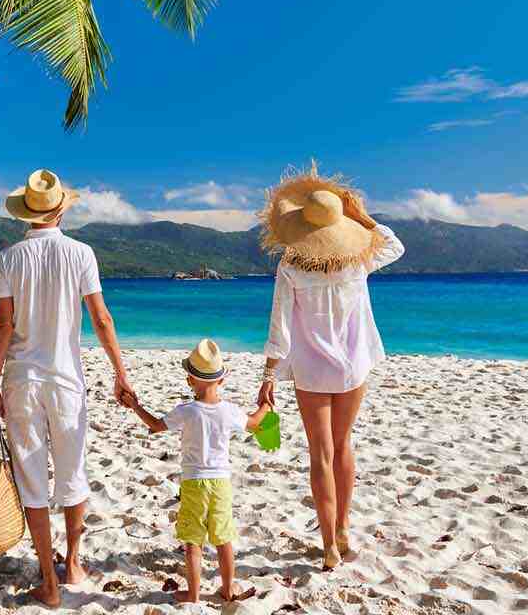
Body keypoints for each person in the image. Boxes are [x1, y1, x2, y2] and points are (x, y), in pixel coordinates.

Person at [0, 169, 134, 608]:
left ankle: (48, 581)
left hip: (22, 382)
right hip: (67, 381)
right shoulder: (81, 253)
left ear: (27, 213)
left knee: (32, 479)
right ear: (60, 208)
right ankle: (73, 562)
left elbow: (3, 325)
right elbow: (102, 318)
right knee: (73, 474)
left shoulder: (9, 258)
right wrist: (120, 373)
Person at [255, 165, 405, 570]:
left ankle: (329, 547)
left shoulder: (290, 266)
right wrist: (360, 217)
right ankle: (342, 527)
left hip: (310, 370)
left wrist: (268, 376)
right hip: (353, 366)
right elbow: (394, 245)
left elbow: (279, 326)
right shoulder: (357, 263)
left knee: (320, 454)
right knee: (343, 446)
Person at [122, 339, 269, 605]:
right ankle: (226, 589)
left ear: (190, 381)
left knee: (193, 542)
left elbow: (155, 425)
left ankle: (193, 594)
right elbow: (256, 424)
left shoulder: (187, 411)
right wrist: (267, 404)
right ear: (221, 380)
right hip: (221, 483)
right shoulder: (229, 411)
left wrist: (134, 405)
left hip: (193, 484)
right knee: (224, 539)